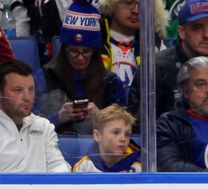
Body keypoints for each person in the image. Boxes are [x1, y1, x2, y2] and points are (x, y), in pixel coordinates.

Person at [129, 0, 208, 118]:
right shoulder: (155, 68)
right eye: (197, 27)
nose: (207, 35)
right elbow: (138, 123)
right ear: (182, 32)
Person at [33, 0, 126, 135]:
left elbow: (125, 128)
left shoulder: (110, 82)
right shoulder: (43, 77)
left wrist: (101, 117)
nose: (80, 57)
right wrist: (58, 117)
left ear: (95, 52)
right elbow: (29, 126)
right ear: (64, 49)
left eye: (86, 51)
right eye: (74, 51)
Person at [0, 60, 70, 173]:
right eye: (18, 90)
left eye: (31, 89)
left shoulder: (43, 126)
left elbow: (57, 164)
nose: (27, 97)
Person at [98, 0, 168, 94]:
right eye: (129, 2)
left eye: (142, 5)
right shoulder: (94, 40)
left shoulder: (156, 45)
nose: (136, 10)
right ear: (111, 3)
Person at [72, 104, 141, 172]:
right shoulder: (83, 167)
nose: (123, 139)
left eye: (127, 134)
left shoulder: (139, 167)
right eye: (116, 132)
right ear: (97, 135)